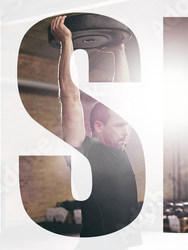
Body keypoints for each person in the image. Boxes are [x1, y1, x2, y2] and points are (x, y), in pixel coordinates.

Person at [50, 15, 139, 237]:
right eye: (120, 126)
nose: (126, 131)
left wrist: (119, 50)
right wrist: (67, 43)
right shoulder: (83, 153)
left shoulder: (119, 148)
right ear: (98, 127)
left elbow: (123, 98)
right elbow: (69, 99)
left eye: (126, 125)